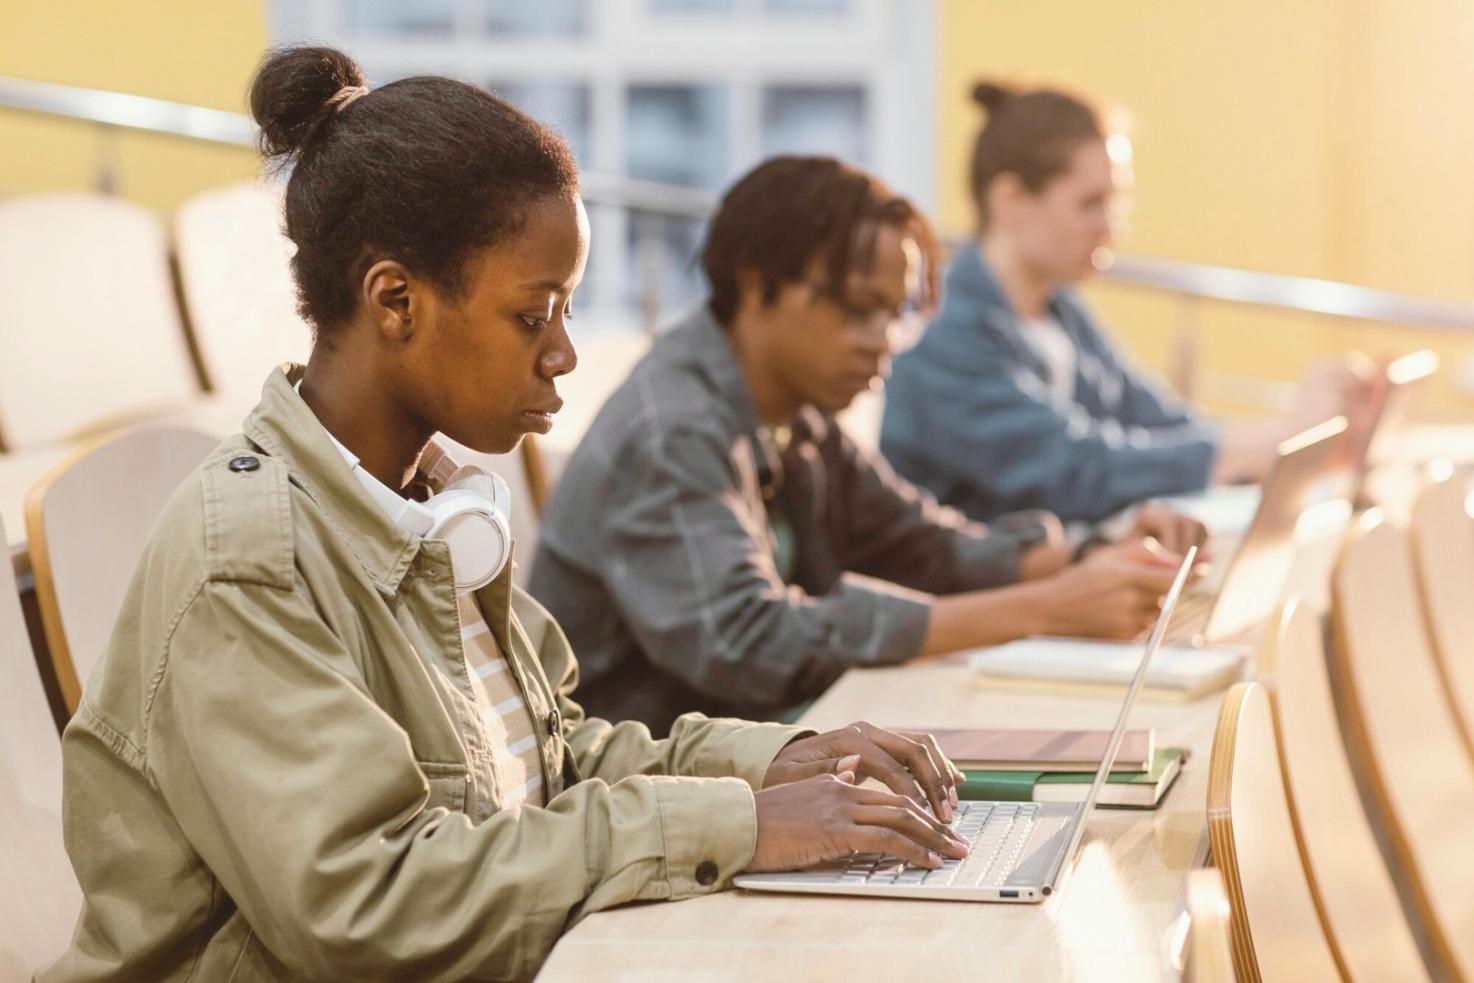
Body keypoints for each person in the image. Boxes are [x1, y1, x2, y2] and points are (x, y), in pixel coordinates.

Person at [43, 49, 976, 982]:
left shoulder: (429, 504)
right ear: (396, 301)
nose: (565, 352)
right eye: (536, 315)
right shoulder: (252, 559)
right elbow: (368, 903)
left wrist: (786, 764)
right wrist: (741, 824)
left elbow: (554, 762)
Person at [528, 155, 1204, 738]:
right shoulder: (671, 431)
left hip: (755, 753)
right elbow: (751, 643)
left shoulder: (796, 409)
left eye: (895, 313)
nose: (882, 340)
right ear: (758, 286)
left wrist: (1096, 555)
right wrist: (1048, 608)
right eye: (857, 310)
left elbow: (920, 543)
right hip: (646, 793)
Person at [880, 81, 1374, 525]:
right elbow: (1074, 468)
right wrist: (1277, 439)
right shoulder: (940, 334)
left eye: (1118, 202)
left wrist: (1299, 436)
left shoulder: (1061, 311)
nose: (1112, 227)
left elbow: (1160, 422)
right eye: (1090, 203)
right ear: (1010, 200)